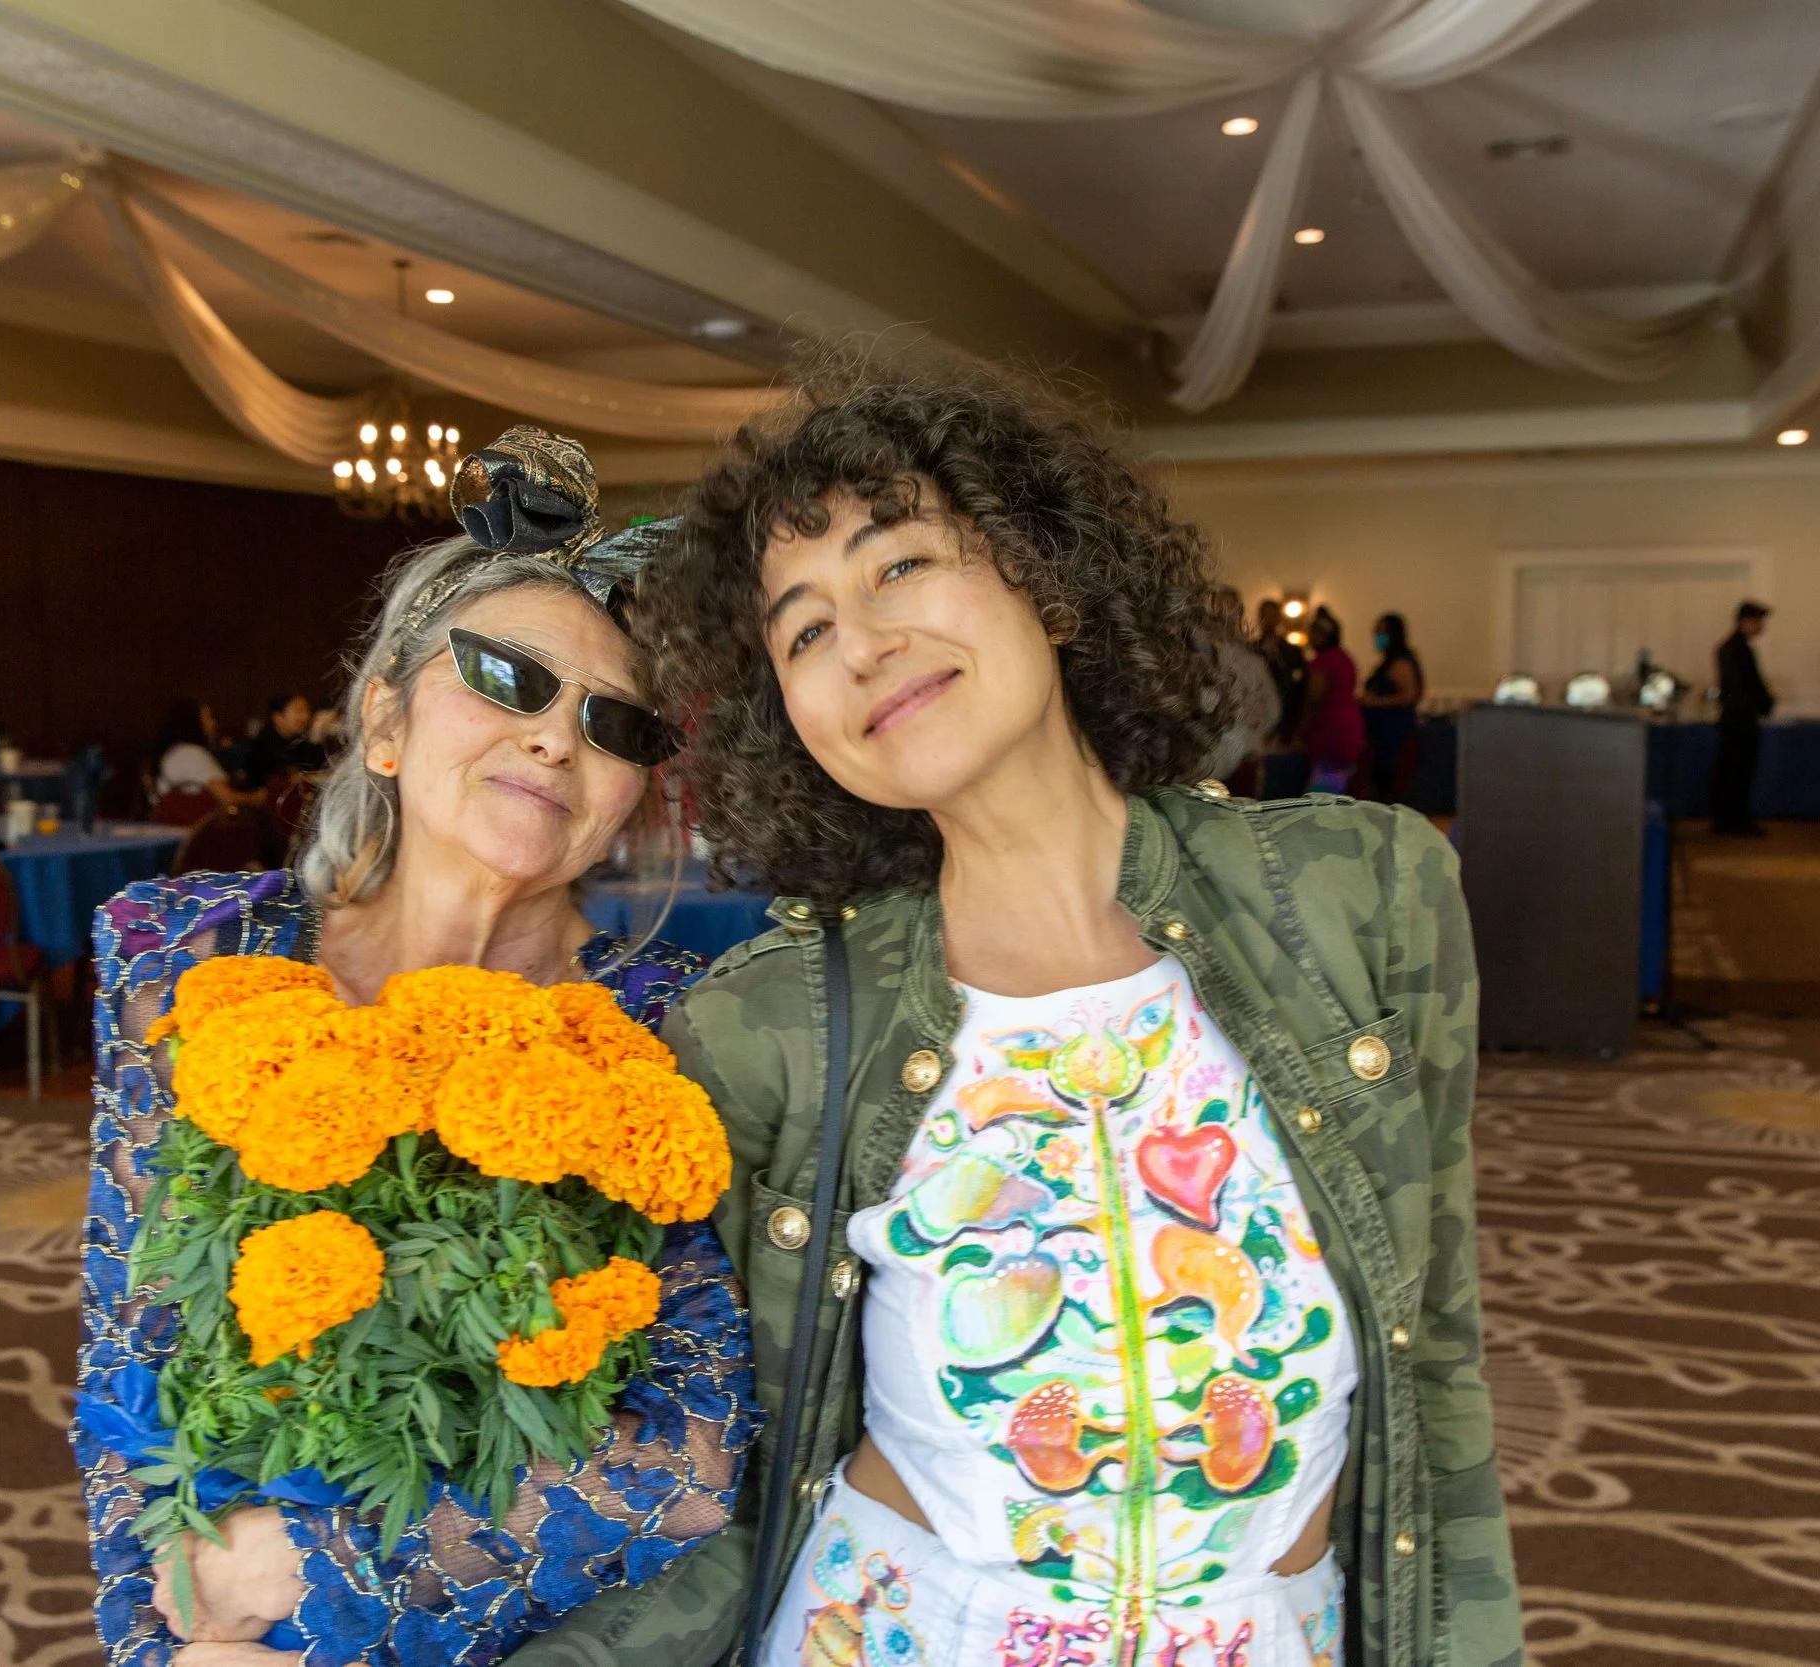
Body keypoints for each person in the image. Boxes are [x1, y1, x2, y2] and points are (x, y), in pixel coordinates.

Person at [619, 360, 1518, 1667]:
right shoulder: (774, 1016)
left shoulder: (1359, 892)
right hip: (898, 1627)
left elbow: (1436, 1353)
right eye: (803, 629)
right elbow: (690, 1441)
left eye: (900, 564)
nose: (861, 642)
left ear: (1046, 570)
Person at [74, 430, 755, 1667]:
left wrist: (328, 1575)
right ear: (383, 717)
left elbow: (694, 1459)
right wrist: (166, 1638)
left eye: (616, 724)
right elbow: (133, 1354)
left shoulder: (668, 1025)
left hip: (503, 1630)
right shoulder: (185, 949)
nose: (557, 739)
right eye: (506, 676)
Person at [1202, 586, 1282, 791]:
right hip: (1241, 759)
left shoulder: (1201, 661)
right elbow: (1273, 712)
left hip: (1213, 764)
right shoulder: (1253, 663)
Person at [1711, 599, 1775, 836]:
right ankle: (1735, 821)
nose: (1762, 627)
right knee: (1738, 770)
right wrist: (1763, 703)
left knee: (1731, 770)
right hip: (1741, 721)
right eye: (1759, 621)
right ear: (1746, 621)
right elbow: (1747, 686)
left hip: (1734, 719)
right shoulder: (1737, 650)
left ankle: (1728, 820)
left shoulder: (1729, 648)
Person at [1360, 612, 1425, 805]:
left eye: (1382, 632)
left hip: (1393, 737)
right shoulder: (1387, 663)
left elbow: (1410, 696)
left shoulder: (1401, 662)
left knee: (1390, 788)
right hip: (1379, 737)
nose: (1377, 637)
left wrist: (1376, 702)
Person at [1301, 606, 1363, 795]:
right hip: (1349, 724)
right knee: (1338, 785)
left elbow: (1313, 698)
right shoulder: (1345, 658)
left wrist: (1301, 729)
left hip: (1331, 728)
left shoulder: (1322, 661)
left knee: (1323, 792)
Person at [1256, 598, 1311, 799]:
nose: (1267, 620)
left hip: (1285, 728)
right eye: (1264, 615)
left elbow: (1301, 693)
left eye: (1272, 615)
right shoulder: (1250, 650)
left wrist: (1296, 730)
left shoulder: (1292, 653)